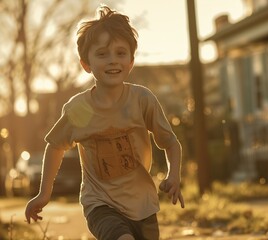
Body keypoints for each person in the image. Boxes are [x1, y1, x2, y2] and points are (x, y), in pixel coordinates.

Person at [25, 4, 185, 240]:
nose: (113, 61)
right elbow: (56, 146)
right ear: (86, 64)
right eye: (102, 54)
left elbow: (170, 142)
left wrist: (174, 175)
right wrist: (44, 194)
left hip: (143, 205)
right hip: (100, 204)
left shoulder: (142, 100)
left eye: (121, 53)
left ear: (131, 61)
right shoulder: (81, 109)